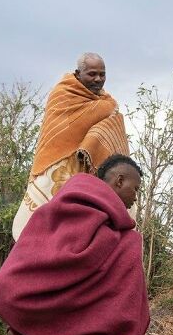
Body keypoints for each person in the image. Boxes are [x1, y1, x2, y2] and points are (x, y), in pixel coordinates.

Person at [0, 155, 150, 335]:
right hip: (27, 293)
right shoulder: (88, 210)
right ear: (120, 181)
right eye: (136, 189)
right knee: (130, 244)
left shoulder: (66, 199)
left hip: (11, 289)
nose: (136, 197)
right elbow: (77, 258)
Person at [12, 52, 131, 241]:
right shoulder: (62, 95)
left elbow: (109, 123)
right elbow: (60, 134)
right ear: (78, 74)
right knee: (51, 228)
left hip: (89, 171)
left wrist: (95, 139)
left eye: (102, 74)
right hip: (59, 168)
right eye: (92, 74)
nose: (98, 79)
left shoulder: (105, 101)